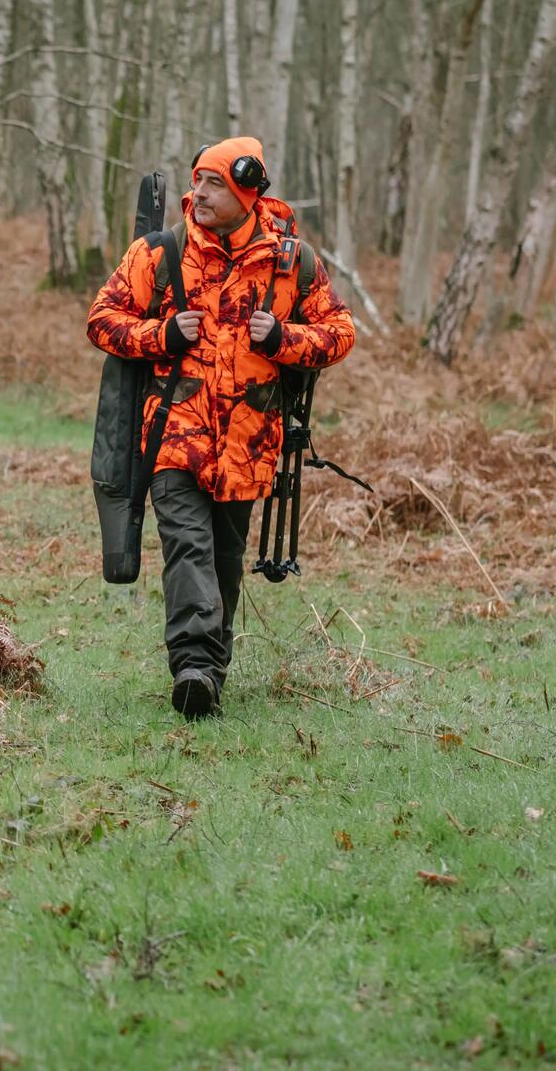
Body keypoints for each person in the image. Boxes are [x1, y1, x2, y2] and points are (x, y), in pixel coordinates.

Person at [86, 137, 355, 719]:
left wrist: (283, 339)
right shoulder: (159, 254)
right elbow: (102, 320)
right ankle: (192, 666)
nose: (198, 193)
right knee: (187, 547)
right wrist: (162, 336)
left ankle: (211, 672)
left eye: (213, 185)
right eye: (197, 181)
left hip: (251, 443)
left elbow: (340, 332)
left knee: (226, 563)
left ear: (246, 194)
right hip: (172, 435)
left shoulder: (292, 261)